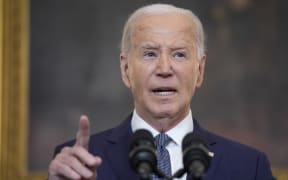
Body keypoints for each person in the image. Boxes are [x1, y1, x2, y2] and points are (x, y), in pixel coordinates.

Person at [48, 3, 275, 180]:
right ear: (126, 70)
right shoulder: (78, 163)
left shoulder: (248, 167)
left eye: (179, 54)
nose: (164, 69)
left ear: (200, 70)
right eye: (149, 54)